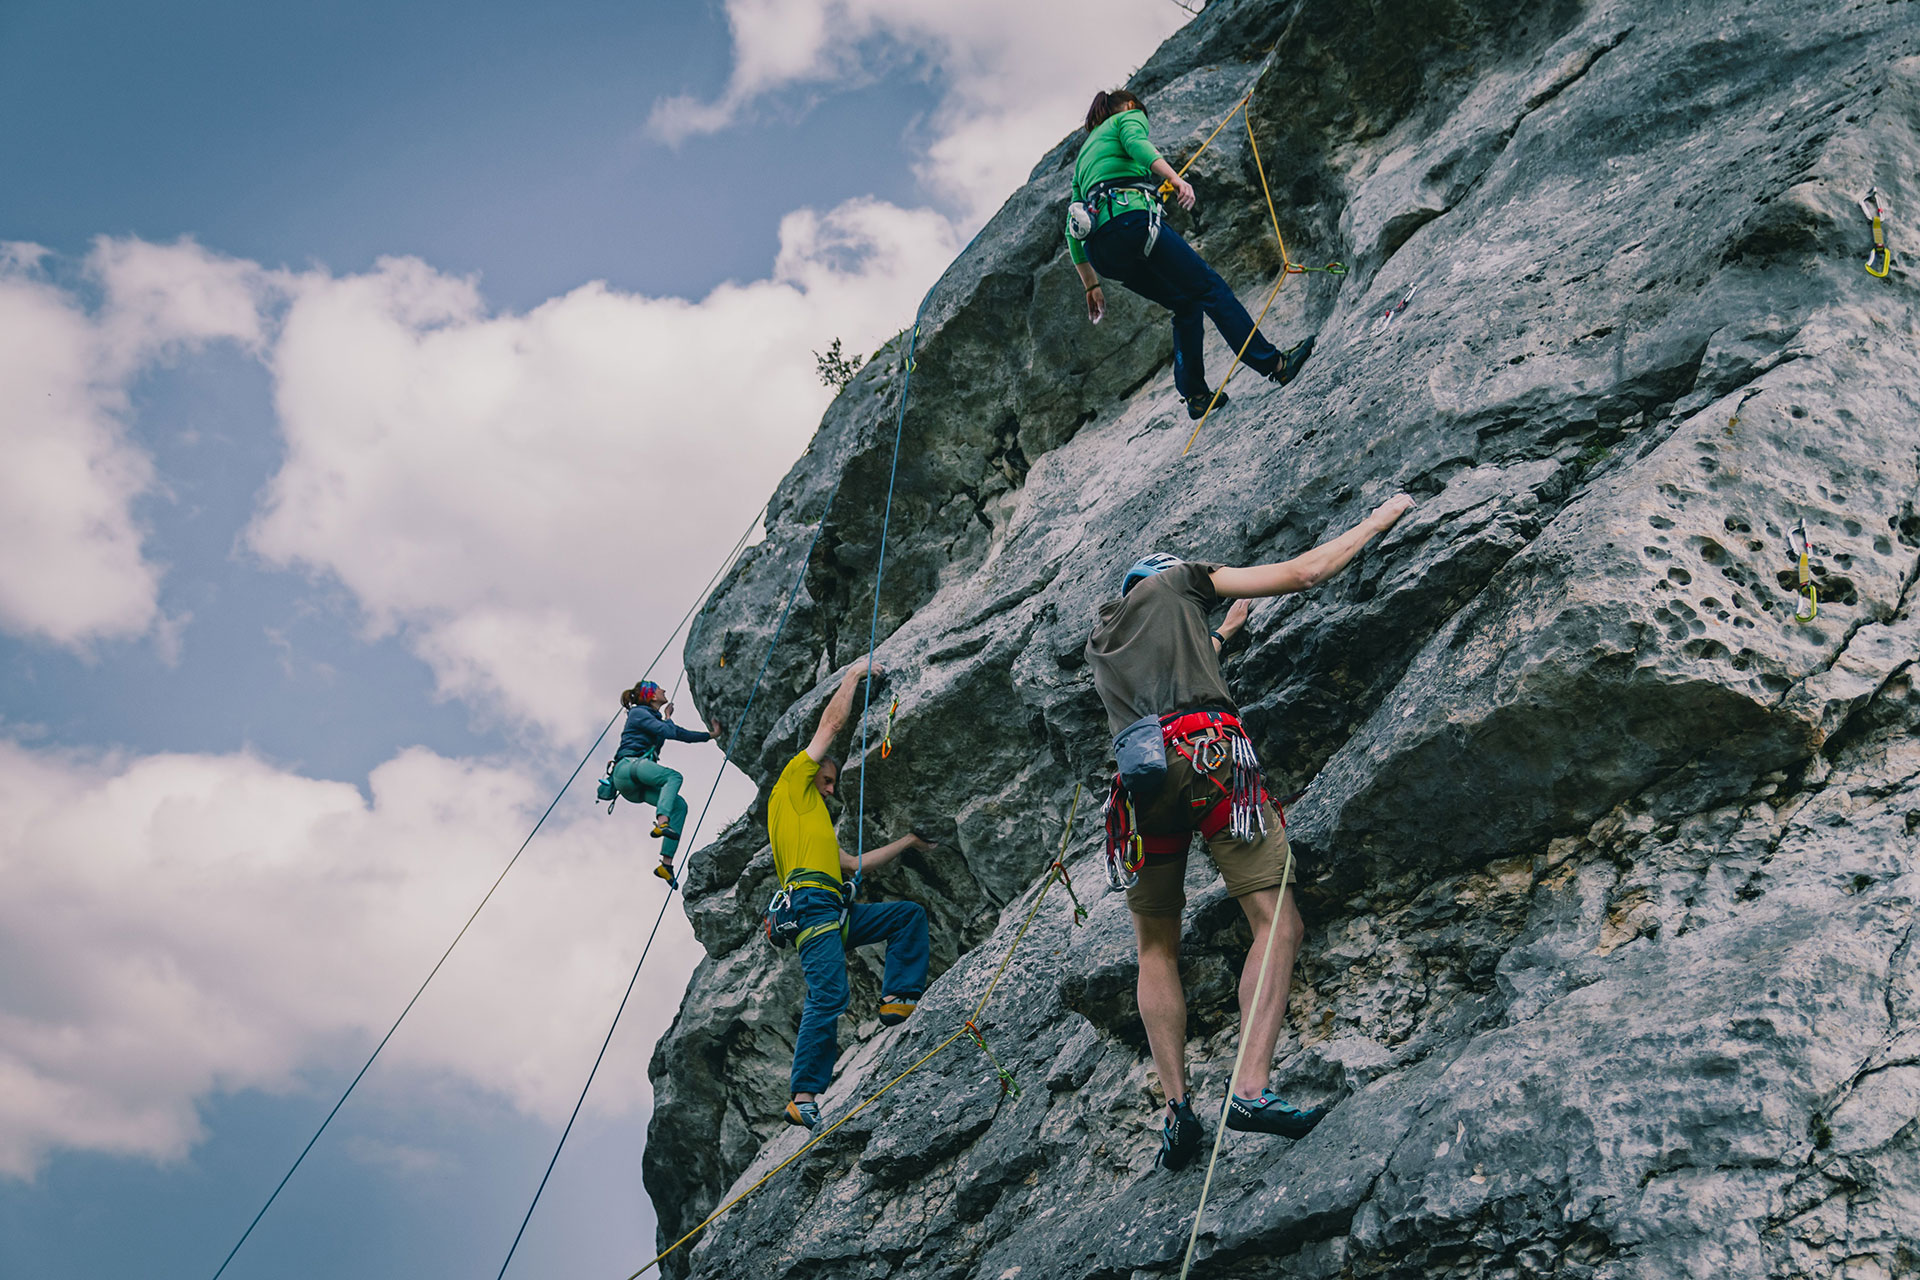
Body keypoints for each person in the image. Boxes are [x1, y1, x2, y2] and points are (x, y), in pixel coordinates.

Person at [1084, 493, 1416, 1170]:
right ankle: (1252, 1088)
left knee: (1155, 951)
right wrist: (1381, 519)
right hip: (1209, 760)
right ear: (1173, 577)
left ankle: (1177, 1112)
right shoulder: (1180, 579)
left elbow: (1183, 656)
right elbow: (1302, 573)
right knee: (1277, 923)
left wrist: (1225, 632)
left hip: (1141, 794)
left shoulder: (1104, 638)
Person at [1066, 88, 1316, 421]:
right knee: (1209, 288)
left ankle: (1196, 396)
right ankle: (1276, 365)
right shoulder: (1127, 116)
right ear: (1128, 105)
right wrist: (1175, 178)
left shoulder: (1084, 156)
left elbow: (1072, 224)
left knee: (1184, 304)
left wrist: (1090, 285)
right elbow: (1139, 146)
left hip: (1102, 253)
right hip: (1132, 223)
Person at [770, 659, 936, 1130]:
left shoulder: (815, 821)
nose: (829, 789)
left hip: (832, 907)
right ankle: (803, 1095)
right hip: (811, 904)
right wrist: (853, 676)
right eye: (826, 780)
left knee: (907, 916)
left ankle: (898, 998)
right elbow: (831, 724)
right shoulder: (791, 788)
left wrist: (908, 843)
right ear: (808, 774)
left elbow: (852, 865)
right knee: (829, 994)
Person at [611, 680, 720, 885]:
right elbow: (668, 731)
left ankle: (666, 864)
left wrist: (711, 735)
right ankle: (662, 823)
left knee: (680, 806)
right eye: (660, 688)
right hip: (627, 768)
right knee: (673, 777)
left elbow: (681, 734)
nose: (664, 690)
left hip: (635, 785)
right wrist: (669, 718)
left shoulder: (653, 718)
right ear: (651, 696)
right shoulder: (638, 713)